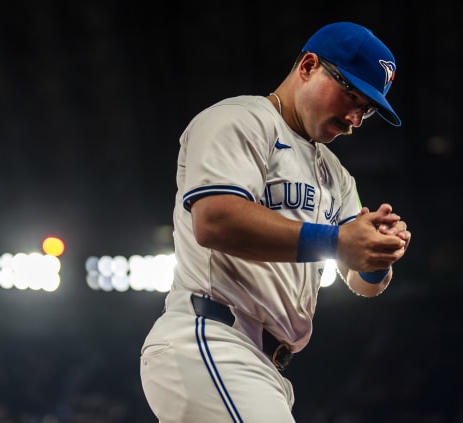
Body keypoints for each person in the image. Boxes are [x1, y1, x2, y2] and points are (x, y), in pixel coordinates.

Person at [139, 22, 412, 422]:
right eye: (351, 95)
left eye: (366, 110)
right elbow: (215, 221)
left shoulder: (335, 174)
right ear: (308, 66)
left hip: (265, 365)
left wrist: (378, 253)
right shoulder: (240, 120)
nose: (354, 117)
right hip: (212, 337)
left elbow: (361, 283)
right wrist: (338, 242)